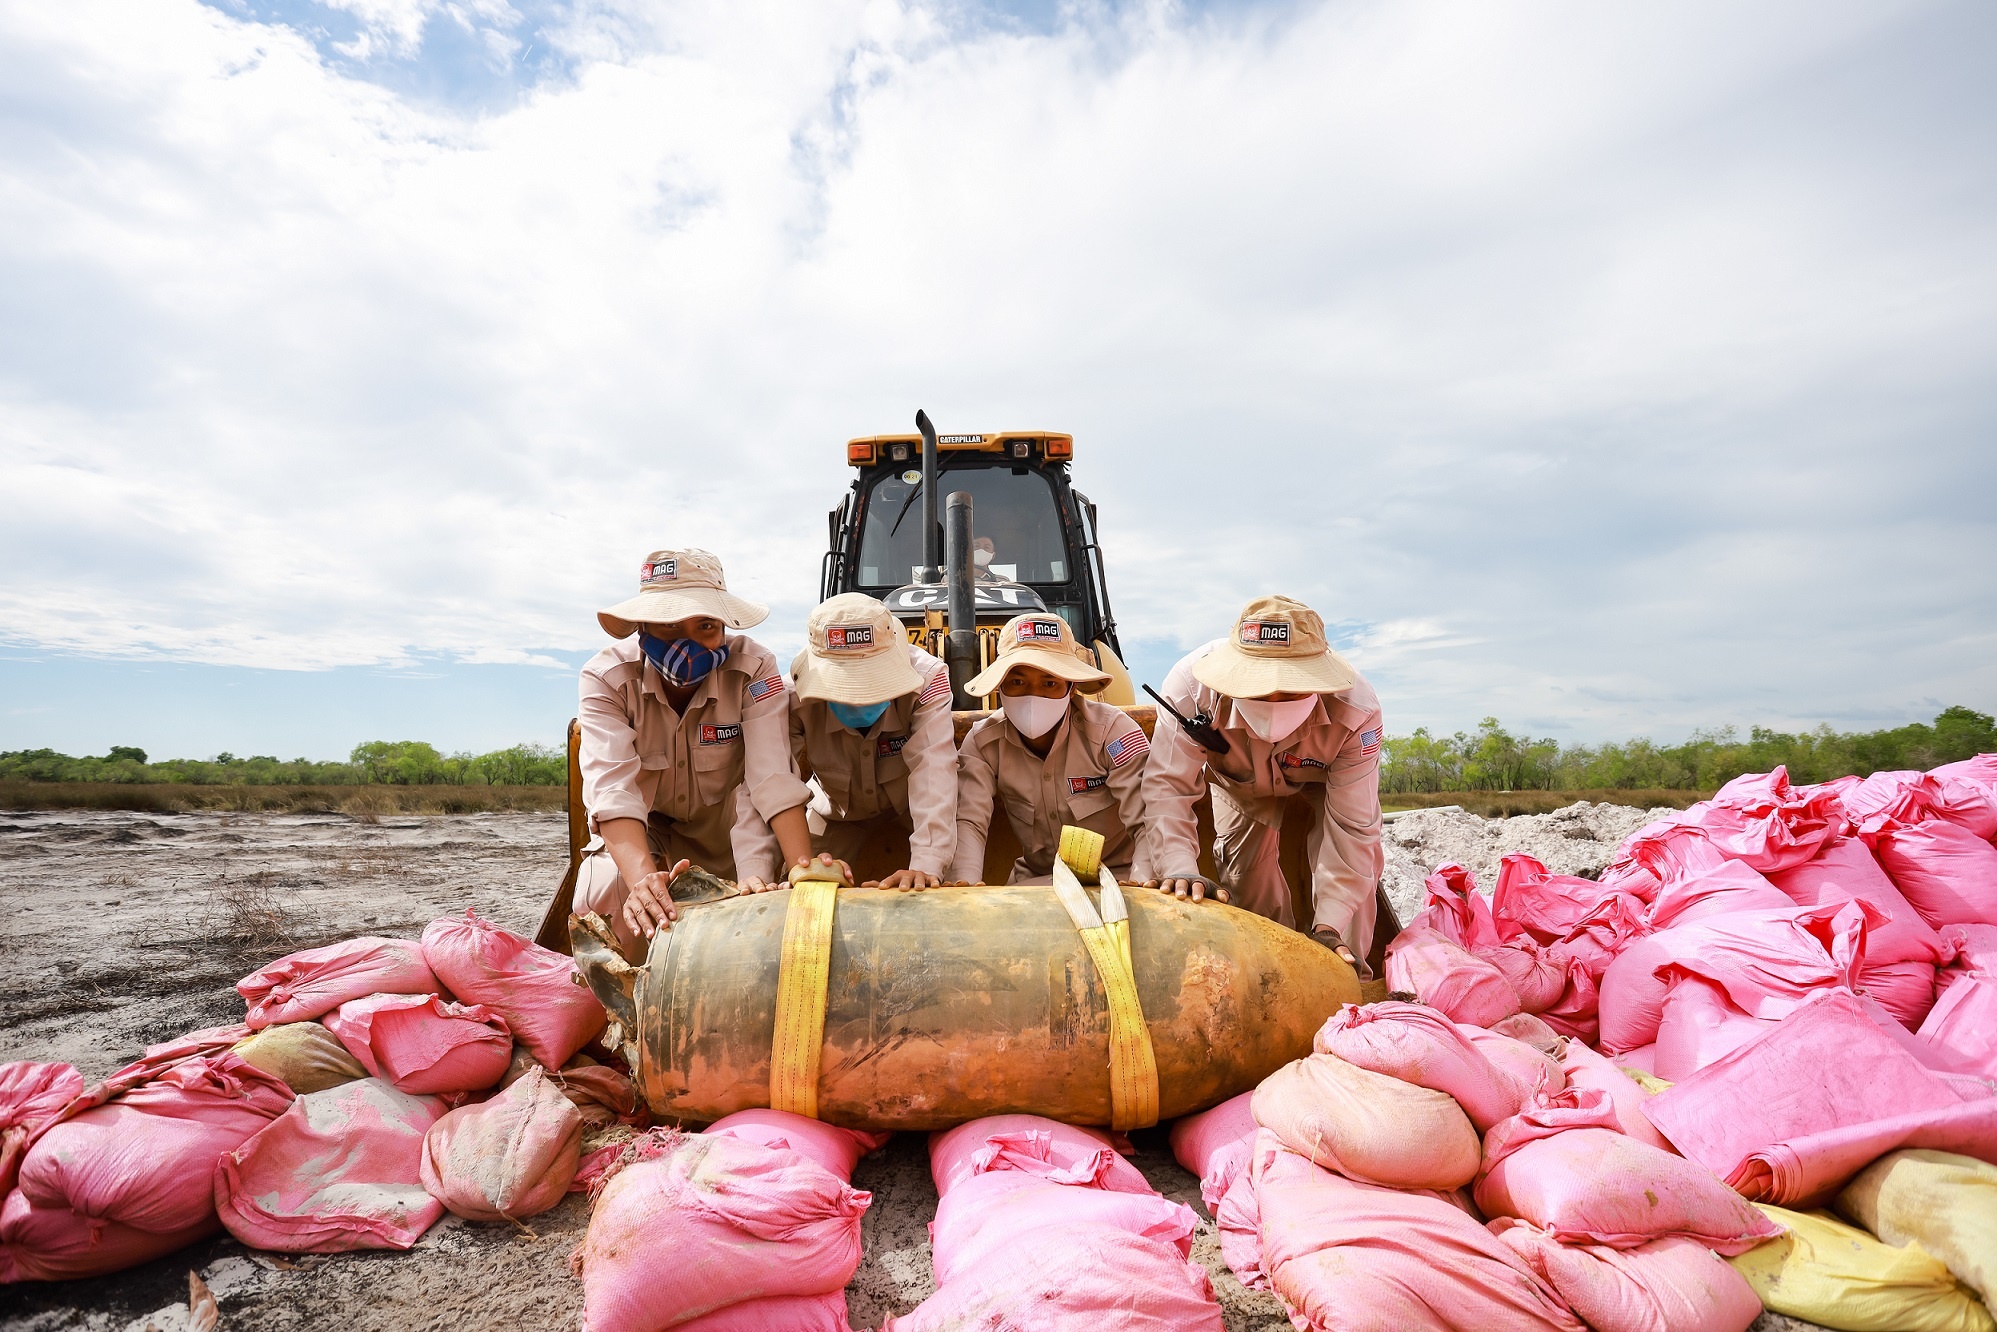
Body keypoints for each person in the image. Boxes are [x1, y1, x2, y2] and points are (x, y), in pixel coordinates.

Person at [572, 548, 820, 956]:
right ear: (643, 627)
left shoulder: (755, 669)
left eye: (705, 626)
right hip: (645, 831)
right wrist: (642, 883)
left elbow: (771, 776)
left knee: (759, 916)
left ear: (724, 625)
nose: (688, 644)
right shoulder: (606, 679)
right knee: (599, 896)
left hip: (731, 831)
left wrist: (803, 872)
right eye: (669, 627)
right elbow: (613, 793)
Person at [1142, 595, 1385, 976]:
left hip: (1321, 781)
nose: (1273, 701)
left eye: (1290, 690)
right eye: (1257, 688)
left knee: (1355, 891)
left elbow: (1352, 829)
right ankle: (1271, 979)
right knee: (1247, 879)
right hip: (1237, 784)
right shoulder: (1191, 691)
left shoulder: (1358, 710)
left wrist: (1329, 925)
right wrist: (1179, 867)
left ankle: (1346, 981)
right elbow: (1167, 789)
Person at [950, 613, 1153, 885]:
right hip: (1037, 882)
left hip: (1119, 878)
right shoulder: (982, 743)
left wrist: (1143, 883)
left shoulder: (1112, 732)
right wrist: (964, 886)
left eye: (1049, 683)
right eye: (1018, 682)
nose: (1034, 695)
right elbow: (969, 822)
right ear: (1000, 687)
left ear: (1071, 688)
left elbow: (1147, 820)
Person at [784, 592, 958, 889]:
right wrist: (793, 865)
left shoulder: (927, 680)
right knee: (797, 888)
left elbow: (934, 769)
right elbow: (770, 782)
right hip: (836, 813)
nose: (857, 695)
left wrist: (927, 865)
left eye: (870, 683)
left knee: (951, 886)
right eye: (844, 686)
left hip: (913, 808)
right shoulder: (792, 696)